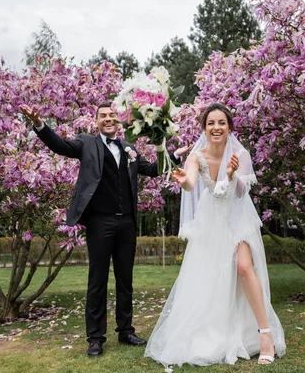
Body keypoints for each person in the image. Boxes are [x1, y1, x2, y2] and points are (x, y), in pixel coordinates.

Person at [21, 103, 189, 357]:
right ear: (96, 121)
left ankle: (126, 331)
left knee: (125, 279)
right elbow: (59, 145)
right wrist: (39, 124)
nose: (108, 119)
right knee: (97, 280)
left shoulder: (130, 148)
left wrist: (174, 156)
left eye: (112, 115)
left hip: (127, 223)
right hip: (100, 223)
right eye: (103, 116)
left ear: (119, 120)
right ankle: (95, 338)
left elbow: (153, 170)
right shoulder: (85, 143)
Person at [145, 103, 286, 367]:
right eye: (211, 123)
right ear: (204, 128)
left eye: (221, 122)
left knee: (244, 267)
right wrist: (182, 179)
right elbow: (189, 183)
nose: (216, 127)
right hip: (211, 220)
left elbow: (241, 192)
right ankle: (219, 330)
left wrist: (232, 175)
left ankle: (265, 335)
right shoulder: (197, 156)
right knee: (212, 275)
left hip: (237, 216)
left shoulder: (240, 154)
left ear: (229, 126)